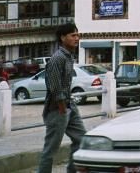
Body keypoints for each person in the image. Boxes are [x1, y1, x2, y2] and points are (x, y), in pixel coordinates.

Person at [38, 23, 85, 173]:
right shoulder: (57, 58)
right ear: (62, 38)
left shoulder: (69, 56)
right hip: (58, 108)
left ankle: (72, 170)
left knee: (81, 139)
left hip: (69, 104)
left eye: (77, 35)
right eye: (73, 35)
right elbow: (54, 85)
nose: (76, 38)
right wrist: (62, 108)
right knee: (51, 149)